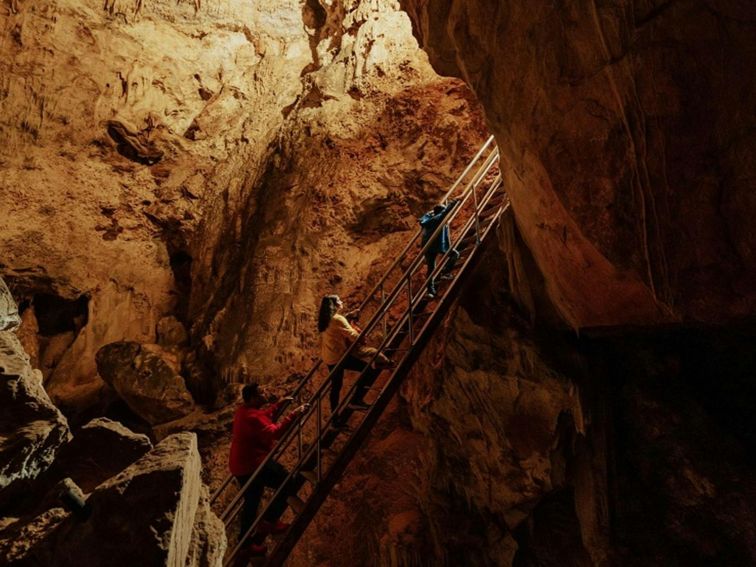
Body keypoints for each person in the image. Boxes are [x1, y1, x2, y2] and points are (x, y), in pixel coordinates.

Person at [229, 382, 308, 555]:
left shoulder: (244, 411)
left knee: (252, 501)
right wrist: (295, 414)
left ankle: (245, 543)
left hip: (242, 464)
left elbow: (262, 416)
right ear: (252, 398)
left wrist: (278, 405)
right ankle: (269, 522)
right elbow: (276, 432)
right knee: (287, 482)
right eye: (260, 393)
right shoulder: (252, 417)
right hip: (253, 465)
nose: (265, 393)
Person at [318, 295, 392, 423]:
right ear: (334, 305)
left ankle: (335, 419)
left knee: (336, 387)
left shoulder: (325, 319)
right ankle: (357, 399)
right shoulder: (338, 319)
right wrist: (361, 337)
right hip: (339, 357)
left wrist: (349, 316)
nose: (342, 301)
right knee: (368, 370)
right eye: (339, 301)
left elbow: (339, 323)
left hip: (329, 357)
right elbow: (351, 334)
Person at [419, 199, 461, 297]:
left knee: (431, 268)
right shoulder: (439, 218)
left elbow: (422, 219)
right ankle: (445, 272)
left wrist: (429, 213)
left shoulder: (429, 219)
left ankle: (430, 291)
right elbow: (447, 211)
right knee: (455, 254)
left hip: (427, 246)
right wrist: (456, 200)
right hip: (437, 244)